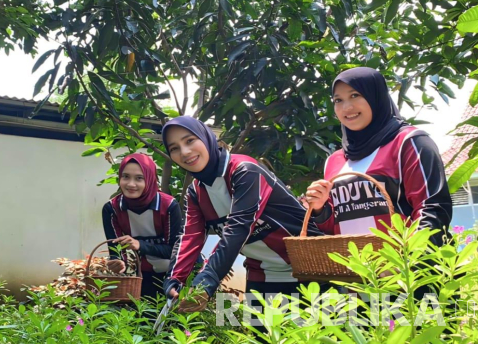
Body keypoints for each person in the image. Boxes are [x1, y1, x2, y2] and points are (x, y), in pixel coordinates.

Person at [302, 67, 453, 298]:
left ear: (376, 96)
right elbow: (336, 228)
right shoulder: (334, 161)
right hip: (356, 283)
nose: (347, 108)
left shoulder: (409, 142)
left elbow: (433, 208)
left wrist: (406, 264)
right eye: (338, 100)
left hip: (411, 280)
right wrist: (320, 209)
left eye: (355, 96)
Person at [161, 116, 325, 316]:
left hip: (311, 269)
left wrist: (207, 281)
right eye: (174, 148)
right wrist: (174, 279)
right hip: (264, 275)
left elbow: (237, 229)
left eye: (189, 141)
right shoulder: (195, 192)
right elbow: (189, 237)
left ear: (207, 138)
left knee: (321, 342)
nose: (184, 152)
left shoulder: (245, 171)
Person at [102, 153, 183, 299]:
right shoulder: (112, 209)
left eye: (139, 178)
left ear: (150, 179)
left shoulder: (168, 206)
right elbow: (116, 251)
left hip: (178, 273)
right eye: (125, 176)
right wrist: (118, 263)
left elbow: (176, 250)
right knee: (143, 318)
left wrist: (140, 245)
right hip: (143, 276)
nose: (131, 184)